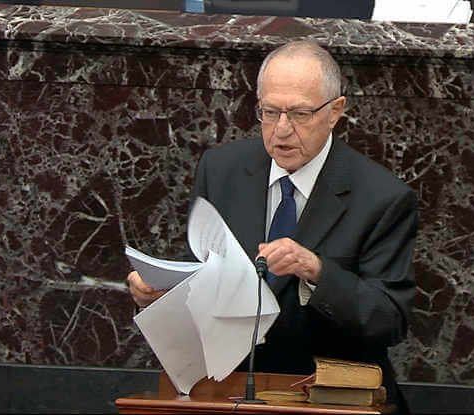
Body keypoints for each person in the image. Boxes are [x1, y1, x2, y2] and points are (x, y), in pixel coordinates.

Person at [127, 40, 417, 414]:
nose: (281, 130)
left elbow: (390, 318)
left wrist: (317, 271)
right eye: (269, 112)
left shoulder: (382, 197)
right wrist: (161, 289)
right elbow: (203, 265)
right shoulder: (221, 170)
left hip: (327, 397)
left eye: (299, 114)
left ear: (335, 111)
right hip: (227, 392)